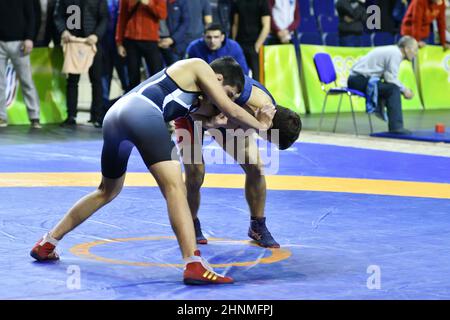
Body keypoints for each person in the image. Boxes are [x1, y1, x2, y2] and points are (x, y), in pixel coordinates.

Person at [30, 57, 276, 285]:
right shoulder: (200, 65)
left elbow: (201, 115)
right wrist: (262, 125)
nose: (228, 101)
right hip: (143, 113)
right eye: (230, 94)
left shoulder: (192, 92)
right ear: (218, 78)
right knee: (175, 187)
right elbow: (231, 110)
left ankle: (48, 242)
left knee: (106, 190)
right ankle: (193, 262)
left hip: (115, 116)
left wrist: (214, 122)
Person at [175, 57, 301, 248]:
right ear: (269, 127)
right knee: (195, 174)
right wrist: (213, 124)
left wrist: (225, 125)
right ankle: (191, 222)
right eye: (268, 139)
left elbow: (232, 124)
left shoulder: (263, 108)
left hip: (225, 119)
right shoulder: (245, 101)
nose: (265, 141)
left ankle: (257, 225)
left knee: (256, 168)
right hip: (191, 114)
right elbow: (193, 111)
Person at [347, 36, 418, 134]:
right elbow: (391, 79)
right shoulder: (396, 54)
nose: (416, 54)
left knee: (391, 88)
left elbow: (387, 77)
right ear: (406, 48)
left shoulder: (393, 51)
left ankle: (394, 125)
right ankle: (396, 127)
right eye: (415, 50)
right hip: (358, 80)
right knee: (393, 89)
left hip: (359, 79)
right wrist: (405, 90)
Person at [54, 0, 108, 127]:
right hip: (73, 42)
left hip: (92, 43)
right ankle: (71, 115)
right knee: (72, 80)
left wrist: (96, 35)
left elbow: (104, 18)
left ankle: (97, 116)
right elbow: (58, 15)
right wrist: (63, 31)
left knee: (96, 80)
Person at [0, 0, 41, 128]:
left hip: (20, 43)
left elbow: (32, 16)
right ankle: (1, 117)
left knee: (26, 81)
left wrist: (29, 38)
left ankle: (34, 117)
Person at [116, 0, 167, 90]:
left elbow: (162, 14)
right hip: (131, 40)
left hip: (150, 40)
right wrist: (119, 42)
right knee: (133, 77)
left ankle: (156, 100)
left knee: (156, 74)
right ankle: (134, 102)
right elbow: (122, 18)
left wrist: (149, 3)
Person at [231, 0, 271, 81]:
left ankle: (257, 93)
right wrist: (234, 44)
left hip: (255, 45)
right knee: (239, 76)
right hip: (240, 44)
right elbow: (235, 24)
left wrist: (257, 45)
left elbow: (266, 26)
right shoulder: (237, 2)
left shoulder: (262, 2)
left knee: (257, 77)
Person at [159, 0, 190, 66]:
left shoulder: (180, 2)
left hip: (175, 44)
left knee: (176, 70)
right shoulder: (152, 2)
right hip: (154, 42)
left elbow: (185, 22)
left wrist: (173, 39)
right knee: (154, 73)